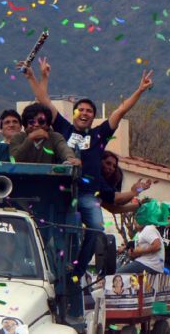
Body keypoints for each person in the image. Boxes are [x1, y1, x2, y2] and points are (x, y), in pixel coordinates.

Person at [22, 57, 154, 279]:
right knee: (53, 228)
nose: (84, 113)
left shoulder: (99, 134)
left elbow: (120, 111)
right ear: (74, 113)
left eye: (89, 111)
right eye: (80, 109)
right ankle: (51, 268)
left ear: (93, 117)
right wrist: (34, 77)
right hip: (61, 190)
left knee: (96, 228)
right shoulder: (63, 127)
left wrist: (139, 90)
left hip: (87, 194)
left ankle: (78, 270)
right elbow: (44, 100)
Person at [9, 103, 79, 165]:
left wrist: (70, 159)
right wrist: (30, 139)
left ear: (48, 124)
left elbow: (64, 149)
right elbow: (13, 160)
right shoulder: (17, 138)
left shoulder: (55, 137)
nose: (36, 125)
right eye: (32, 122)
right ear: (25, 125)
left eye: (41, 122)